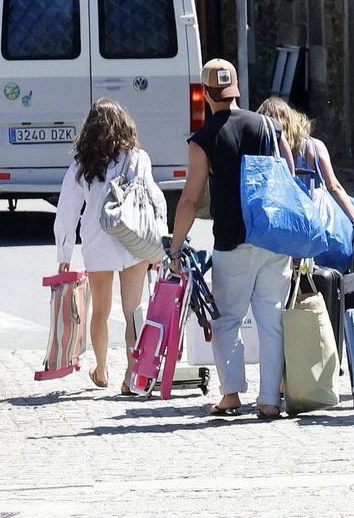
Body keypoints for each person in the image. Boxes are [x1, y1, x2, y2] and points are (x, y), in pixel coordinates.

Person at [169, 59, 296, 421]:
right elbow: (287, 175)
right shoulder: (270, 126)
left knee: (227, 319)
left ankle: (231, 394)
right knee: (271, 319)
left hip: (232, 239)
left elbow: (191, 199)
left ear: (205, 94)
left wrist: (176, 247)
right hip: (272, 237)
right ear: (236, 90)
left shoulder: (203, 139)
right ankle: (270, 400)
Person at [53, 99, 161, 393]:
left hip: (98, 240)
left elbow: (67, 211)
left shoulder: (82, 164)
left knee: (99, 310)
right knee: (132, 311)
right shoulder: (139, 158)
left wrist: (64, 253)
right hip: (133, 240)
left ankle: (101, 370)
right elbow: (153, 200)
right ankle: (131, 374)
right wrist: (159, 245)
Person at [256, 97, 354, 252]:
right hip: (316, 227)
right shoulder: (313, 147)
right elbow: (334, 187)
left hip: (280, 230)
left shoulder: (263, 152)